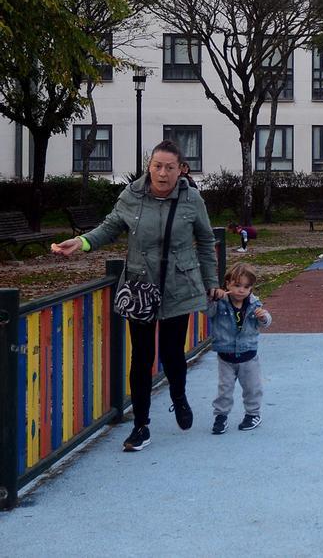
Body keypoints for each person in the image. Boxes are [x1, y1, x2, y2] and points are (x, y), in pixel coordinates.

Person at [51, 141, 219, 452]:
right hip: (140, 288)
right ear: (149, 167)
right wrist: (82, 242)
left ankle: (178, 396)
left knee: (171, 354)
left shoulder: (191, 200)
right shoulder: (132, 195)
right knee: (141, 357)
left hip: (178, 287)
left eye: (169, 167)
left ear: (181, 169)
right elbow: (110, 227)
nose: (162, 173)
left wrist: (211, 282)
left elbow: (206, 242)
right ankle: (141, 425)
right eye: (157, 166)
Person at [207, 262, 271, 434]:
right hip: (226, 356)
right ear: (227, 284)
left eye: (246, 287)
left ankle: (253, 414)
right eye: (237, 285)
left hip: (248, 356)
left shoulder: (253, 303)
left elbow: (265, 322)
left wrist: (263, 317)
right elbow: (208, 312)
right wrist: (213, 297)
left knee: (252, 388)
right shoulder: (220, 303)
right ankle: (221, 416)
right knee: (224, 389)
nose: (241, 290)